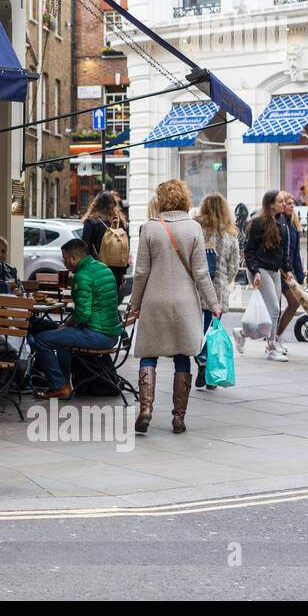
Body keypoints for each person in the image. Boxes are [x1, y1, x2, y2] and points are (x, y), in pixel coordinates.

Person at [127, 179, 221, 434]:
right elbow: (202, 273)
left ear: (161, 200)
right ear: (184, 199)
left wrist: (134, 304)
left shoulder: (149, 227)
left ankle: (146, 409)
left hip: (153, 301)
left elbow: (141, 272)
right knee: (182, 356)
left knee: (149, 354)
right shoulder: (193, 228)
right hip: (184, 302)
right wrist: (214, 304)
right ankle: (178, 418)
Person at [29, 238, 123, 400]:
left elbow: (82, 315)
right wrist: (65, 327)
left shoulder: (82, 276)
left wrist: (66, 324)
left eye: (65, 259)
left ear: (73, 258)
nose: (65, 263)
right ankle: (64, 384)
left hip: (97, 334)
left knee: (42, 339)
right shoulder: (103, 268)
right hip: (111, 334)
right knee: (60, 336)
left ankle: (58, 386)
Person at [235, 189, 294, 362]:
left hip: (274, 271)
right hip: (260, 269)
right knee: (275, 309)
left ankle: (242, 333)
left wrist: (287, 269)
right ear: (270, 204)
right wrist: (255, 272)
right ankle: (271, 347)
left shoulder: (282, 223)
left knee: (271, 312)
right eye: (280, 201)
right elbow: (249, 250)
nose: (284, 204)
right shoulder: (258, 222)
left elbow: (283, 251)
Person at [193, 192, 240, 389]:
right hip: (219, 289)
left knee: (198, 327)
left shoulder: (196, 229)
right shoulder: (230, 234)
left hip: (198, 288)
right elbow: (234, 266)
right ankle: (210, 367)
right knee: (213, 329)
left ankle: (200, 361)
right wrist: (224, 280)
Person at [271, 191, 305, 352]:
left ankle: (277, 335)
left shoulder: (293, 225)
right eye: (288, 203)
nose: (292, 206)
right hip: (277, 270)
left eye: (293, 203)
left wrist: (300, 276)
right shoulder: (278, 223)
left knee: (294, 303)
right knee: (275, 308)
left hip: (289, 272)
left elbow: (295, 253)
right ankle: (271, 341)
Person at [79, 191, 129, 292]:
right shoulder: (121, 224)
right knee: (111, 302)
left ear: (96, 203)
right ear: (114, 205)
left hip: (97, 271)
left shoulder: (91, 222)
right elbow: (125, 249)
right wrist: (123, 273)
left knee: (96, 304)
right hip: (116, 273)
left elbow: (84, 249)